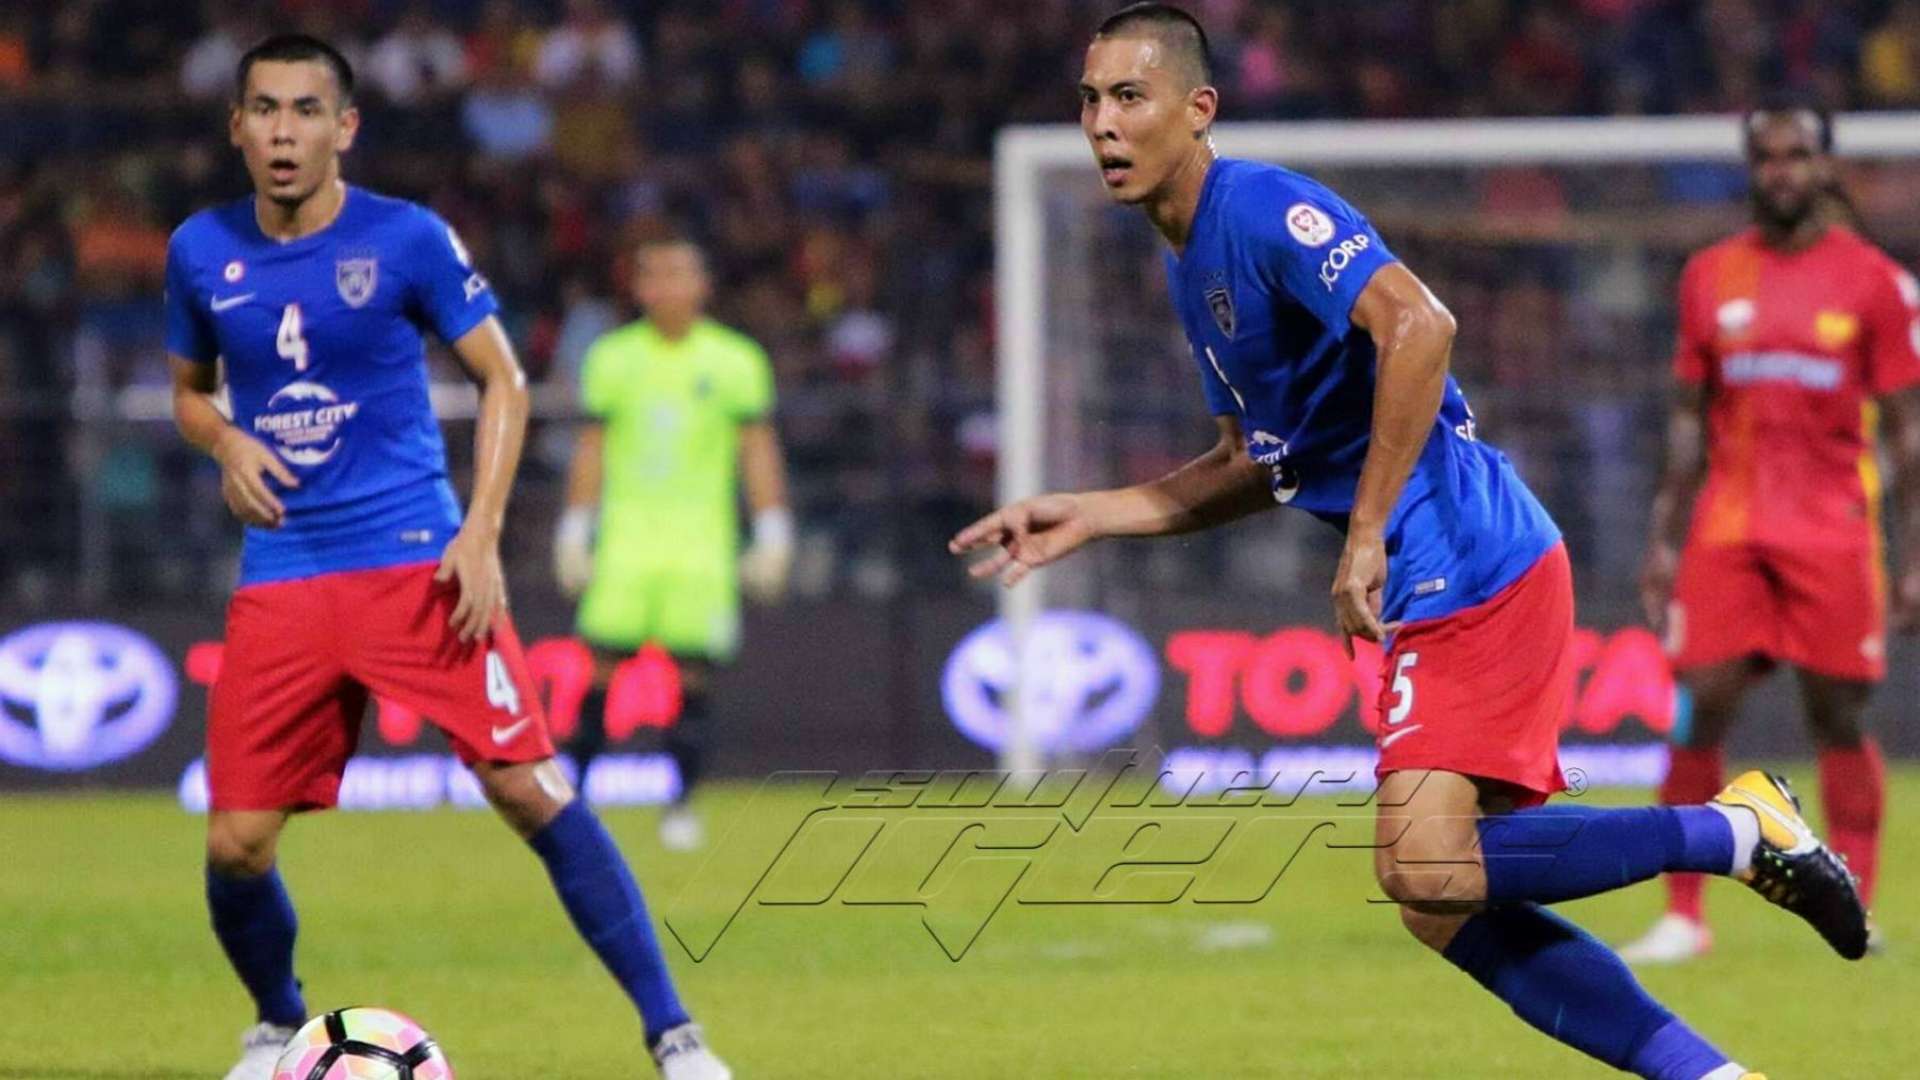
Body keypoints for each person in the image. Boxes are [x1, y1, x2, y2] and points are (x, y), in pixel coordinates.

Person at [948, 8, 1867, 1078]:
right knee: (1443, 900)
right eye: (1091, 100)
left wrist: (1369, 531)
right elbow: (1261, 459)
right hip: (1449, 557)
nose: (1102, 123)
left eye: (1129, 97)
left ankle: (1736, 832)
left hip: (1465, 548)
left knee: (1425, 867)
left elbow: (1421, 324)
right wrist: (1097, 510)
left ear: (1199, 110)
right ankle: (1710, 1073)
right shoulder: (1190, 263)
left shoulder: (1259, 207)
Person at [164, 35, 728, 1080]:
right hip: (284, 573)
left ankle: (675, 1036)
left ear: (346, 128)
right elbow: (189, 391)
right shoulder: (201, 250)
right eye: (266, 111)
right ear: (236, 126)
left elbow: (505, 381)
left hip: (414, 559)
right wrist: (224, 437)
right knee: (236, 844)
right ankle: (278, 1019)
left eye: (306, 110)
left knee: (531, 791)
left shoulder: (409, 237)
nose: (286, 132)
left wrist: (480, 532)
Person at [1622, 103, 1920, 965]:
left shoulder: (1874, 282)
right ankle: (1684, 913)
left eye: (1798, 156)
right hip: (1728, 524)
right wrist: (1661, 538)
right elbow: (1686, 420)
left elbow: (1906, 431)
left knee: (1836, 714)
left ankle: (1853, 900)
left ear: (1827, 167)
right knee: (1695, 710)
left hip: (1833, 530)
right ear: (1751, 167)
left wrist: (1912, 557)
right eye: (1767, 156)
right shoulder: (1709, 276)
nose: (1782, 170)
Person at [553, 236, 791, 851]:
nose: (667, 287)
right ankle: (574, 800)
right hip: (627, 540)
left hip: (701, 544)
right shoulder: (612, 358)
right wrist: (576, 526)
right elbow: (593, 446)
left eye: (679, 273)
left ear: (703, 284)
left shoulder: (736, 361)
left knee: (694, 678)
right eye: (654, 275)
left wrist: (771, 527)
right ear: (639, 287)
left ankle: (681, 804)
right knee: (600, 667)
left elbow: (756, 449)